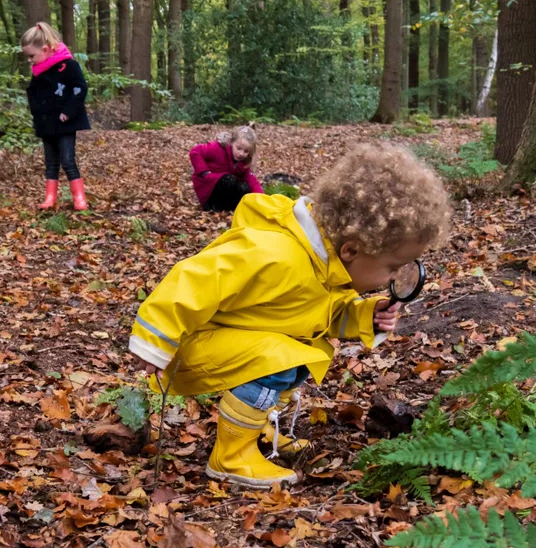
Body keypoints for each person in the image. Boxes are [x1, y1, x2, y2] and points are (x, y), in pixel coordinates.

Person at [129, 143, 452, 487]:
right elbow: (194, 280)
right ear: (351, 249)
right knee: (284, 358)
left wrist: (364, 317)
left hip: (233, 343)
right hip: (190, 345)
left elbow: (316, 316)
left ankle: (256, 429)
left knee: (300, 353)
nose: (394, 278)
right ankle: (231, 456)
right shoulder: (277, 252)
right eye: (393, 267)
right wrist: (154, 341)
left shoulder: (326, 265)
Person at [22, 22, 90, 211]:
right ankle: (50, 198)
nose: (29, 60)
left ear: (45, 49)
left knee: (68, 160)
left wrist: (68, 111)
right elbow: (33, 94)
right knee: (50, 162)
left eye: (31, 56)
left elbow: (80, 89)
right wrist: (36, 114)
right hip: (46, 124)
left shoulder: (68, 66)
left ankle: (79, 199)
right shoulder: (38, 71)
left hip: (65, 123)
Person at [189, 126, 264, 211]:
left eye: (246, 151)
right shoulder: (217, 148)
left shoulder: (243, 163)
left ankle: (231, 208)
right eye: (238, 148)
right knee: (229, 179)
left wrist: (262, 199)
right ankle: (213, 207)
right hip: (208, 192)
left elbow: (252, 181)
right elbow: (195, 152)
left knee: (244, 187)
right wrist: (204, 172)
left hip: (225, 195)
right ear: (232, 142)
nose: (241, 153)